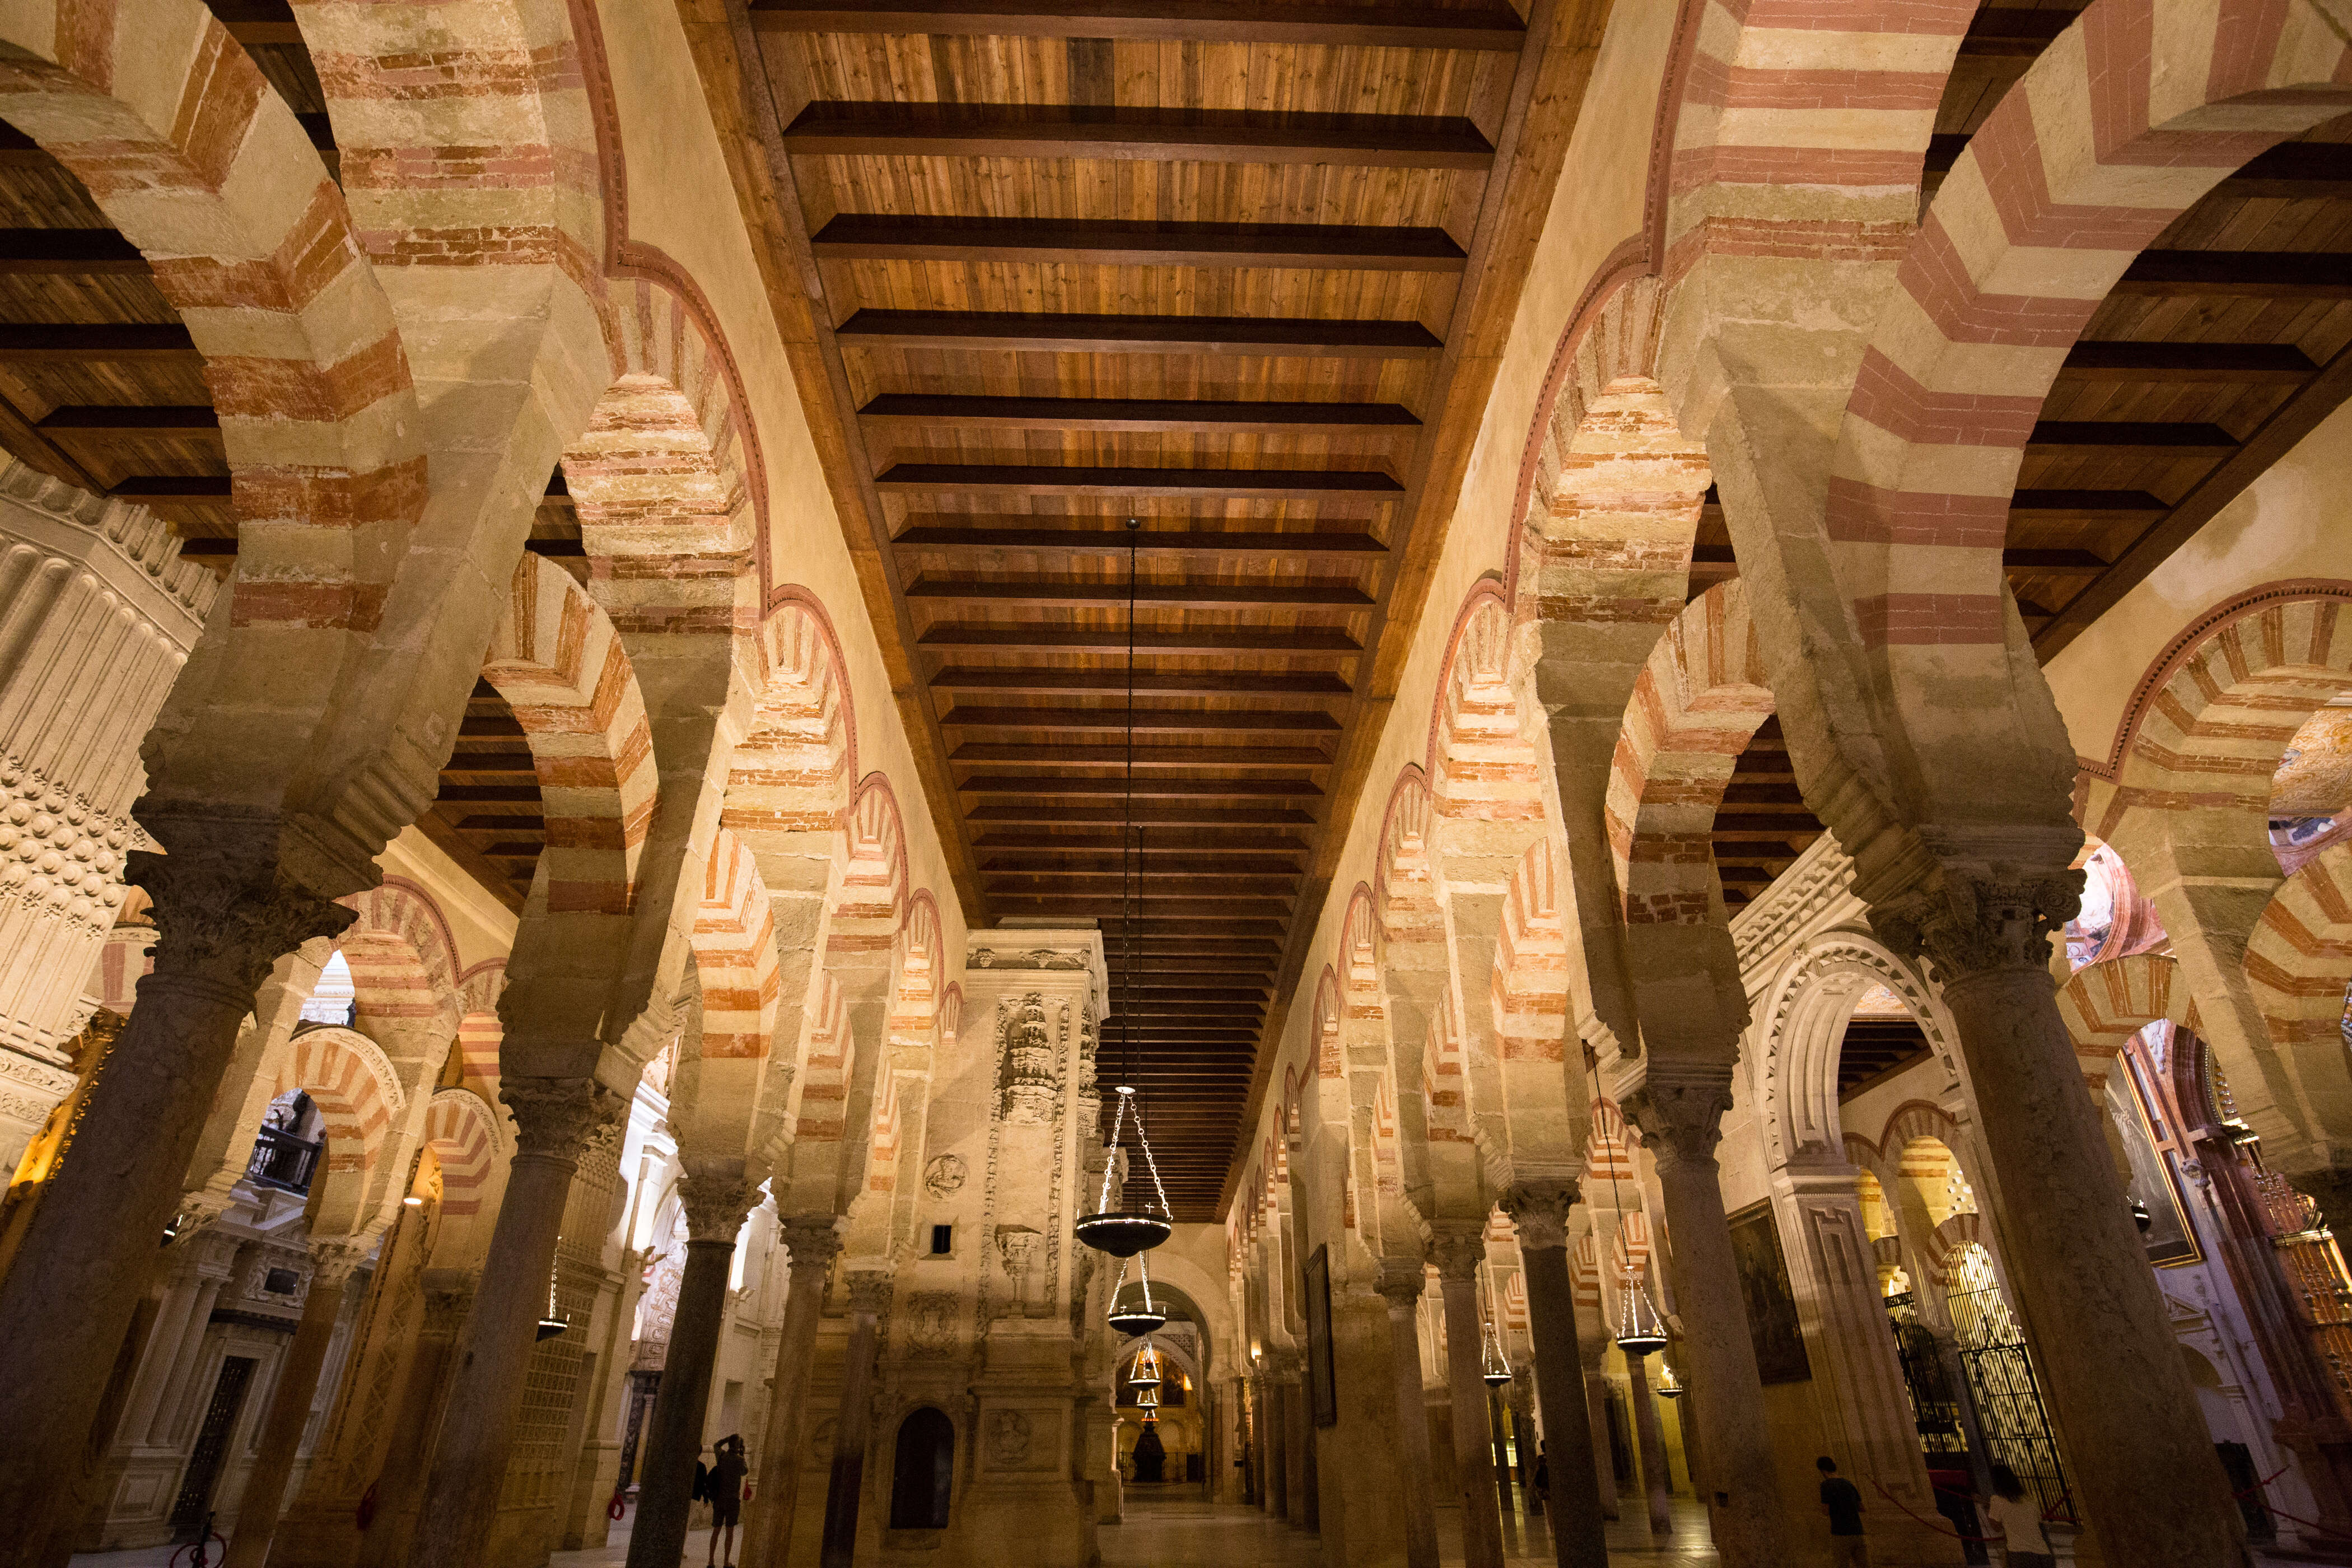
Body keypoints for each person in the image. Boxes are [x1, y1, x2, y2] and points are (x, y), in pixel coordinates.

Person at [1983, 1464, 2052, 1567]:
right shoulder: (2030, 1499)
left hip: (2020, 1553)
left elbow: (1996, 1527)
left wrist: (1986, 1508)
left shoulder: (1997, 1500)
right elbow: (2039, 1525)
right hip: (2043, 1553)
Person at [1817, 1455, 1868, 1567]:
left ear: (1823, 1471)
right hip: (1858, 1532)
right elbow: (1862, 1508)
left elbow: (1825, 1511)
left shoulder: (1826, 1485)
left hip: (1840, 1533)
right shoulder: (1849, 1484)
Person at [707, 1434, 749, 1568]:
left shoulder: (722, 1457)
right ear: (738, 1446)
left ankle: (711, 1561)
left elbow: (716, 1445)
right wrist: (742, 1454)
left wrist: (727, 1439)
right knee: (729, 1532)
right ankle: (726, 1562)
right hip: (733, 1500)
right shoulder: (739, 1460)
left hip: (719, 1498)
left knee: (716, 1530)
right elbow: (745, 1472)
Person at [1533, 1444, 1550, 1515]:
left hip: (1544, 1486)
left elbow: (1536, 1474)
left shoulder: (1541, 1459)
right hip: (1545, 1485)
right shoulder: (1543, 1461)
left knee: (1548, 1507)